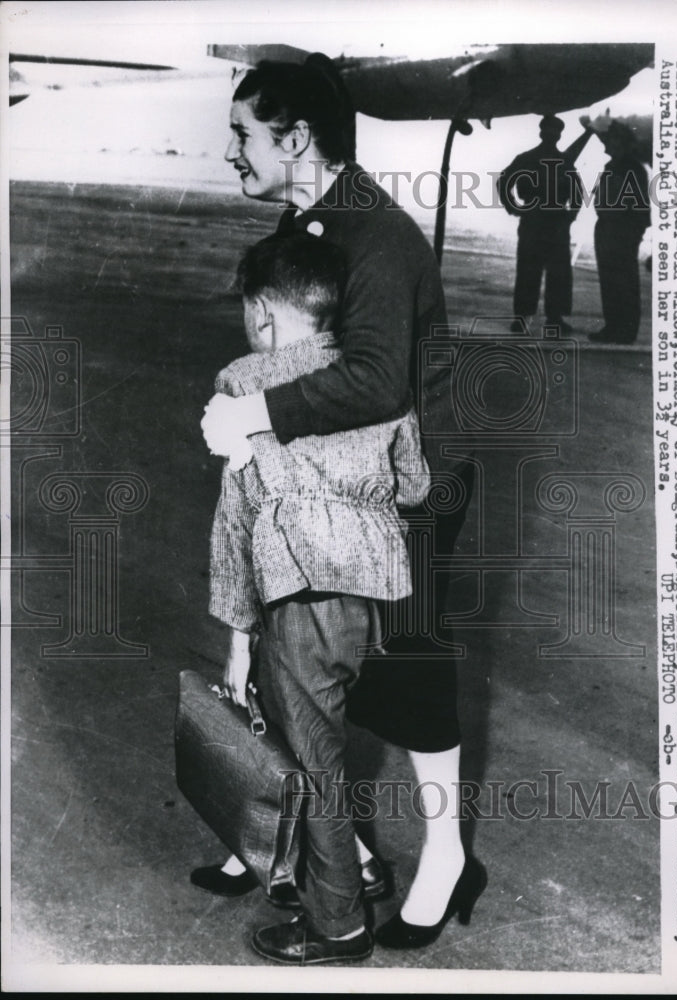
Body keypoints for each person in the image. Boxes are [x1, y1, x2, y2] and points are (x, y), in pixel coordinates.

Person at [199, 56, 486, 953]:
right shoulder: (319, 217)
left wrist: (255, 411)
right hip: (327, 484)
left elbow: (373, 378)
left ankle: (445, 855)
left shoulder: (381, 238)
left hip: (406, 487)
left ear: (297, 140)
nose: (231, 152)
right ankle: (319, 848)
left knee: (410, 672)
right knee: (301, 664)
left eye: (244, 135)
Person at [206, 232, 431, 964]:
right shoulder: (371, 378)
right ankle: (347, 868)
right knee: (319, 739)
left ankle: (336, 922)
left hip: (295, 590)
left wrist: (238, 631)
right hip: (367, 598)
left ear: (264, 314)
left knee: (312, 761)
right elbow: (415, 484)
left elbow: (236, 516)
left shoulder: (246, 382)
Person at [497, 114, 587, 333]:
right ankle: (549, 319)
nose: (551, 137)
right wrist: (514, 207)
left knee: (534, 270)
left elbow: (504, 181)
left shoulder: (529, 159)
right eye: (550, 133)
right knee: (551, 272)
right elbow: (576, 194)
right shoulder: (560, 162)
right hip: (548, 222)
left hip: (540, 221)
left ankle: (529, 318)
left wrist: (514, 207)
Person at [586, 119, 651, 344]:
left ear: (620, 142)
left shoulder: (631, 168)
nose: (605, 145)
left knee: (623, 282)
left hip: (622, 231)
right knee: (610, 281)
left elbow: (640, 205)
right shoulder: (613, 166)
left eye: (610, 140)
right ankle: (613, 327)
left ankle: (625, 330)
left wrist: (633, 232)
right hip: (607, 228)